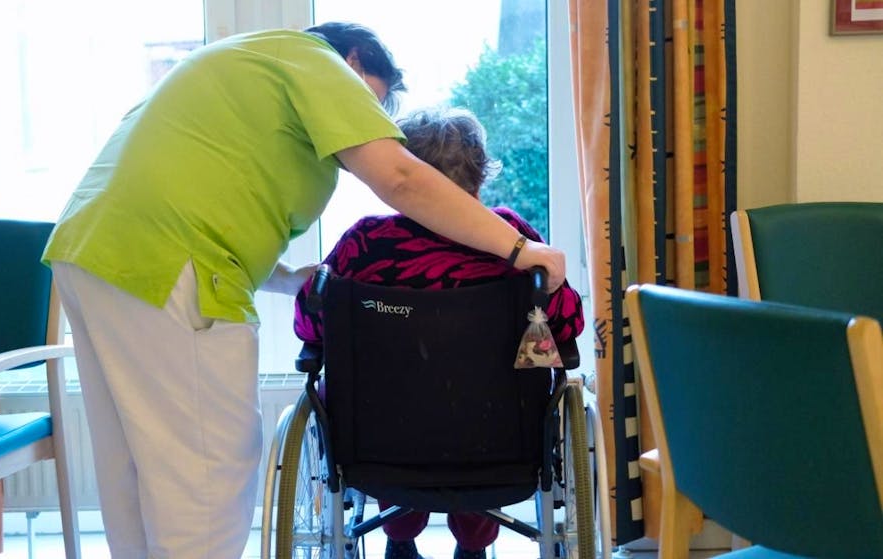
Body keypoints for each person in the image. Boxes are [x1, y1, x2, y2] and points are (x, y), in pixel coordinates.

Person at [43, 21, 567, 557]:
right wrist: (520, 251)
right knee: (205, 477)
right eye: (371, 105)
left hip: (90, 251)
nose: (363, 129)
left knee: (130, 469)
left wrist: (292, 279)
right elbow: (402, 180)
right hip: (165, 262)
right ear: (355, 61)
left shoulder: (241, 66)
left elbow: (210, 215)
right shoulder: (315, 62)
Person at [293, 107, 585, 559]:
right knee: (497, 397)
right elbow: (568, 323)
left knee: (384, 394)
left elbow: (309, 324)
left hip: (379, 447)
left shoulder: (364, 243)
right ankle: (473, 545)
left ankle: (399, 535)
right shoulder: (513, 239)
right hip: (500, 440)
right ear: (479, 176)